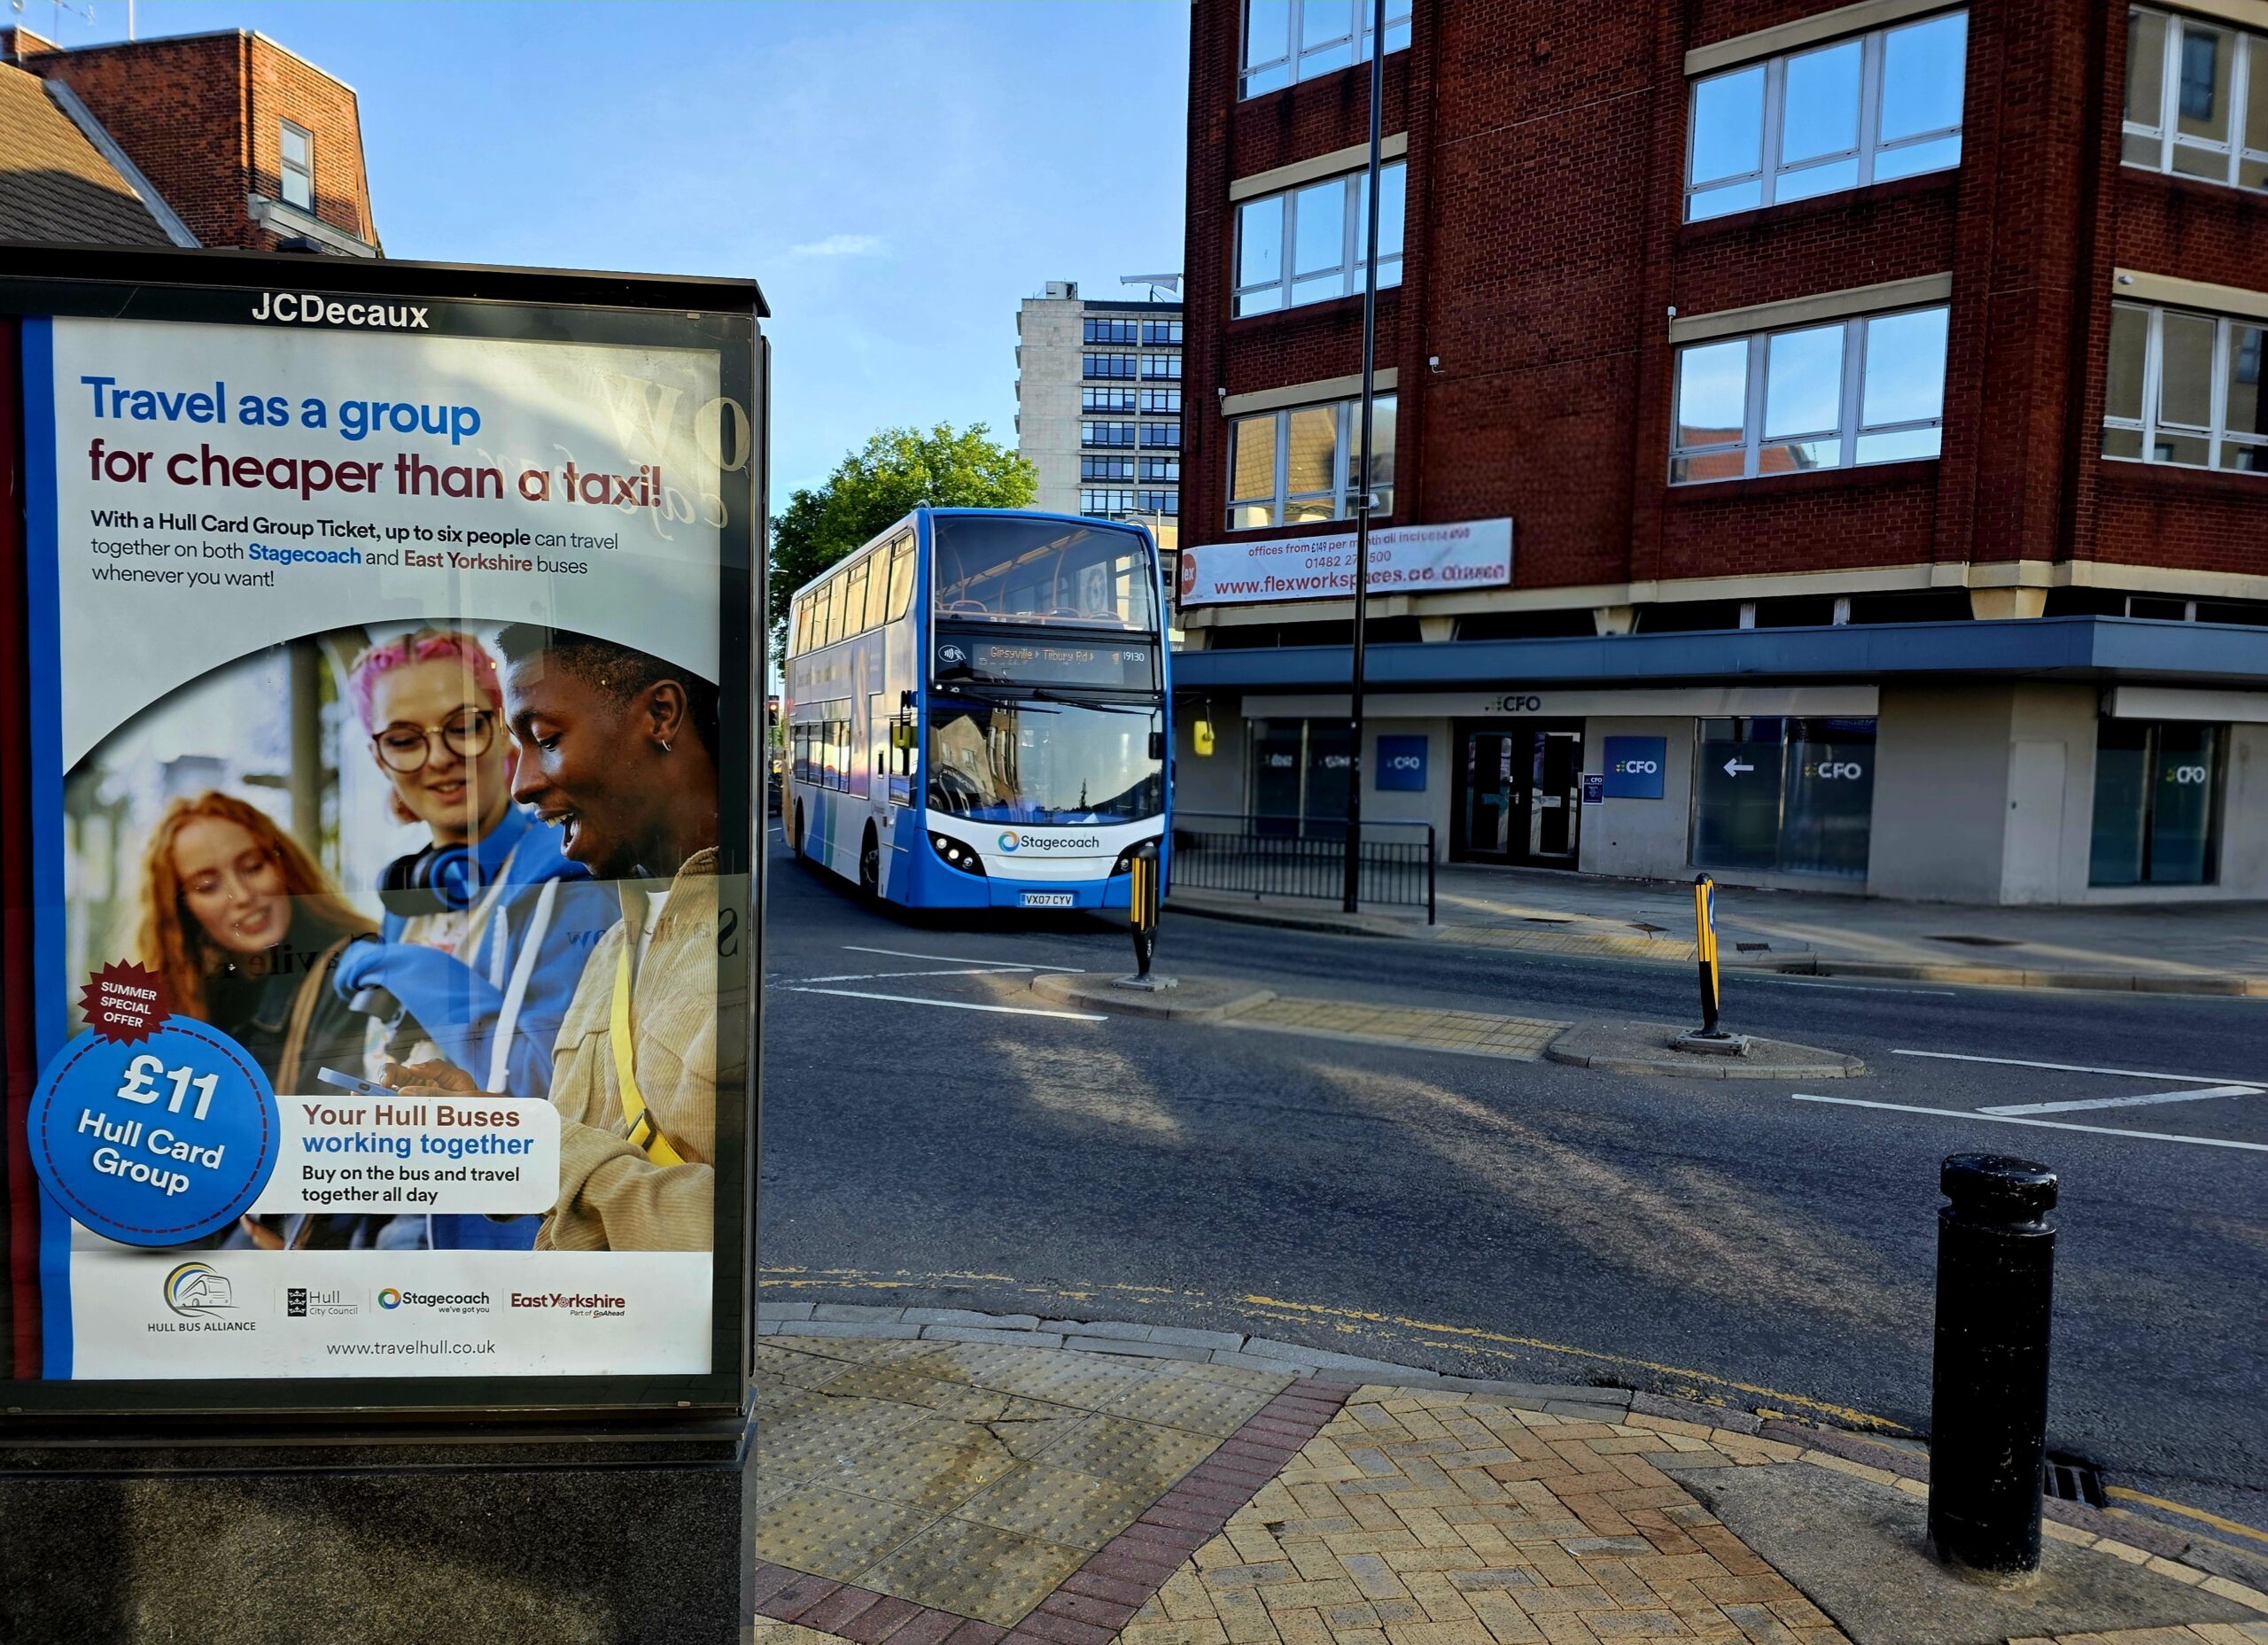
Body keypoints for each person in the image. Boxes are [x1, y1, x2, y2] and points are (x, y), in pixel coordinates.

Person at [391, 625, 733, 1253]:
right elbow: (589, 1180)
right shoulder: (613, 941)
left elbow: (738, 1236)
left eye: (545, 740)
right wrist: (495, 1128)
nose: (521, 783)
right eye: (402, 741)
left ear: (661, 714)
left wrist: (539, 1147)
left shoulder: (751, 949)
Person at [333, 627, 619, 1251]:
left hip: (499, 1251)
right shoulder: (409, 899)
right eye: (405, 739)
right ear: (380, 758)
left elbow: (554, 1090)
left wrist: (413, 969)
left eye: (464, 724)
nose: (438, 757)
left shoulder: (567, 874)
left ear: (504, 731)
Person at [133, 792, 377, 1249]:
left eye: (252, 867)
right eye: (207, 886)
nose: (243, 896)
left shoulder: (350, 973)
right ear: (183, 910)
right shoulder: (202, 1003)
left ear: (282, 866)